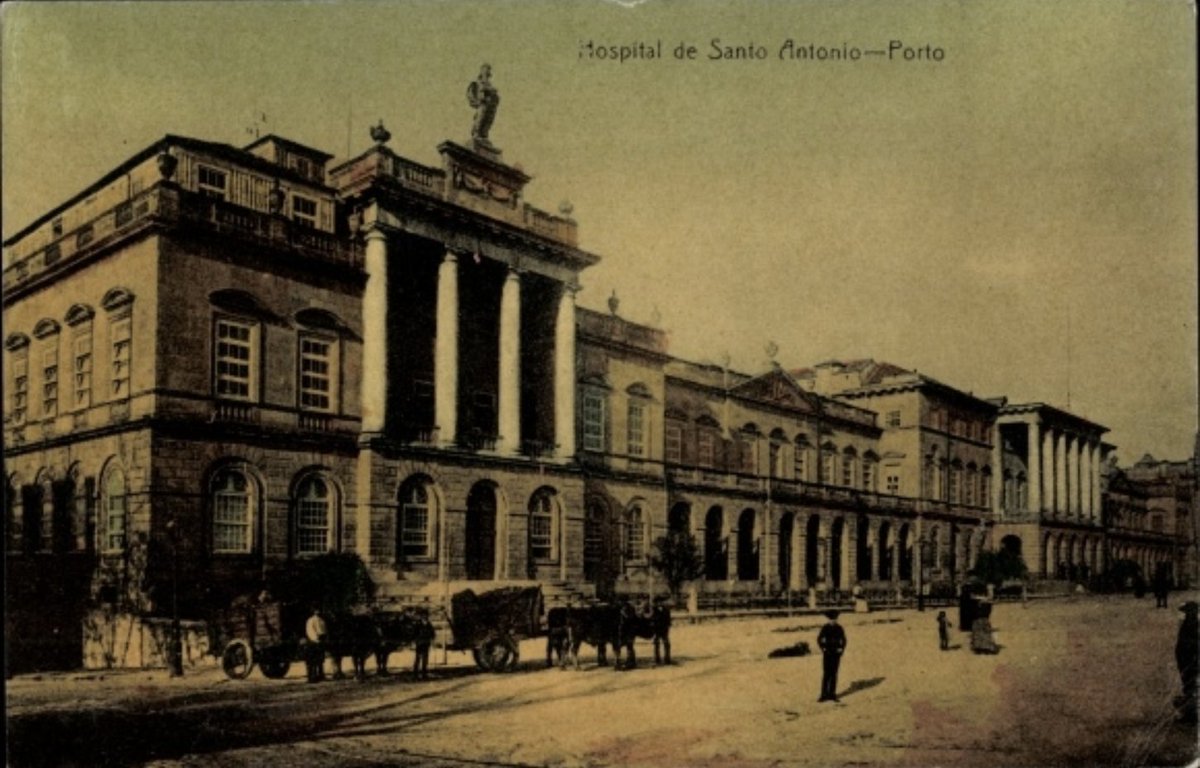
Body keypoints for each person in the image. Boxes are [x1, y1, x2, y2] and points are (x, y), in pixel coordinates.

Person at [1175, 601, 1198, 724]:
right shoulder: (1191, 624)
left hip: (1189, 660)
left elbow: (1185, 645)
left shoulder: (1190, 625)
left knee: (1190, 686)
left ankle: (1191, 715)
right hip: (1187, 660)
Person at [817, 609, 847, 702]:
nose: (833, 621)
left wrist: (841, 649)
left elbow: (844, 640)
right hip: (827, 652)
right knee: (826, 673)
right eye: (831, 619)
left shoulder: (839, 628)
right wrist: (823, 648)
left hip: (836, 653)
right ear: (828, 619)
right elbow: (819, 639)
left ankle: (832, 694)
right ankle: (823, 694)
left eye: (835, 619)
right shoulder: (825, 627)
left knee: (834, 673)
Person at [467, 63, 500, 143]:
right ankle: (476, 134)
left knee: (488, 120)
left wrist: (494, 94)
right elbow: (471, 92)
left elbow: (495, 97)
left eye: (488, 70)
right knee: (480, 118)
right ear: (482, 71)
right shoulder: (478, 82)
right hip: (482, 103)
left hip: (490, 105)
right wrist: (476, 101)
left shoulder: (489, 84)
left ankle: (484, 135)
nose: (487, 72)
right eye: (486, 70)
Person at [305, 606, 328, 683]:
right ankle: (312, 677)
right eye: (316, 610)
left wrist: (323, 638)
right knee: (312, 660)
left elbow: (324, 630)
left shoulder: (322, 620)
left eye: (319, 610)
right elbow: (310, 631)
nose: (318, 611)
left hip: (321, 640)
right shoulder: (311, 620)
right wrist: (315, 639)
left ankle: (320, 675)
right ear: (313, 611)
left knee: (320, 659)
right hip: (313, 642)